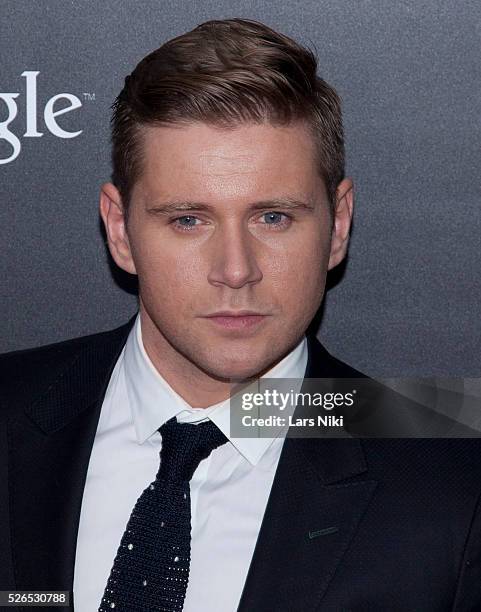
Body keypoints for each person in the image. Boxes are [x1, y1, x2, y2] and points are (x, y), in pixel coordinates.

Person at [1, 18, 480, 612]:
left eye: (273, 217)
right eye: (188, 220)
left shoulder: (455, 487)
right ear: (120, 230)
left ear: (339, 226)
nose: (235, 269)